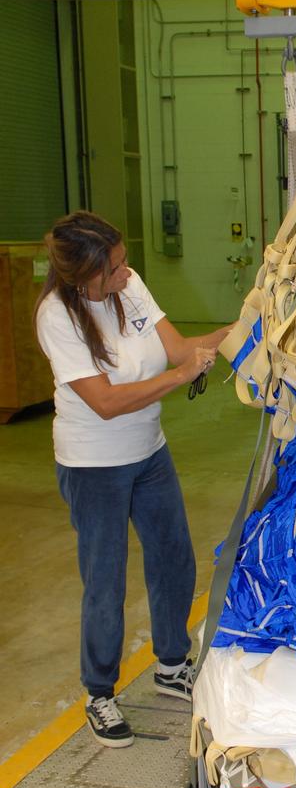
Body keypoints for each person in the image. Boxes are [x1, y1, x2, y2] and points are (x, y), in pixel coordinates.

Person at [35, 211, 232, 749]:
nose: (128, 274)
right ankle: (99, 692)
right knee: (106, 579)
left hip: (149, 452)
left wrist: (248, 325)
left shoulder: (129, 285)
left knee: (173, 556)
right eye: (115, 270)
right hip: (93, 462)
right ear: (83, 278)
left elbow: (178, 350)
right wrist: (179, 377)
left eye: (125, 263)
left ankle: (171, 664)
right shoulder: (58, 317)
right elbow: (106, 403)